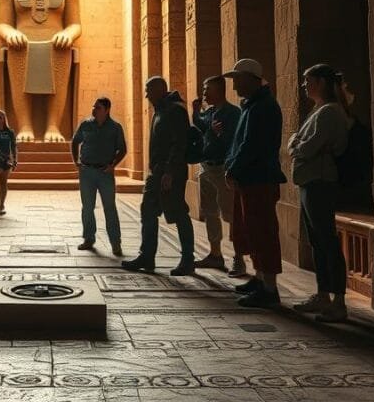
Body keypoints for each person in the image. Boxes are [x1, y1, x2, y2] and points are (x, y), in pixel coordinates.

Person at [289, 64, 352, 323]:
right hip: (310, 181)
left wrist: (295, 143)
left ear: (322, 83)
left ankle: (338, 301)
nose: (304, 85)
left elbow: (305, 148)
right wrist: (298, 143)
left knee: (326, 241)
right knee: (317, 241)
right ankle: (322, 294)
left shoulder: (329, 113)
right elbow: (302, 144)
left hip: (320, 182)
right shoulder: (319, 111)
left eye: (308, 80)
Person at [223, 58, 287, 308]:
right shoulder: (252, 105)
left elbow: (251, 145)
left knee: (263, 232)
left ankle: (269, 289)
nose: (235, 84)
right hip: (249, 178)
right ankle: (260, 279)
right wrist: (233, 167)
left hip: (258, 178)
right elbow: (239, 143)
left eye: (237, 79)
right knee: (251, 231)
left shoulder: (263, 107)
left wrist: (234, 168)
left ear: (251, 78)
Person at [122, 76, 194, 275]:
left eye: (148, 90)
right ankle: (147, 256)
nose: (146, 95)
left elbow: (179, 143)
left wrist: (170, 171)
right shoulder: (161, 110)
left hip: (170, 173)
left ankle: (188, 259)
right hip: (157, 173)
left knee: (178, 212)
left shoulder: (175, 110)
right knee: (147, 211)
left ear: (160, 90)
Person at [190, 75, 247, 275]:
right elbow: (202, 126)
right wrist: (196, 112)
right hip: (206, 167)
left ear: (219, 91)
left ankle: (238, 258)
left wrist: (215, 134)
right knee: (210, 211)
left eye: (207, 89)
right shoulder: (211, 111)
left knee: (231, 215)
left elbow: (233, 142)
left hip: (223, 169)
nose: (204, 93)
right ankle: (215, 254)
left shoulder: (233, 113)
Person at [71, 97, 126, 256]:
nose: (94, 110)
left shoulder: (115, 128)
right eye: (93, 107)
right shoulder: (86, 124)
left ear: (107, 110)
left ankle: (116, 243)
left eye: (98, 108)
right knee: (87, 207)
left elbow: (122, 150)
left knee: (110, 208)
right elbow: (75, 142)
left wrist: (113, 165)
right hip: (87, 172)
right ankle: (89, 239)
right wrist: (76, 161)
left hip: (105, 173)